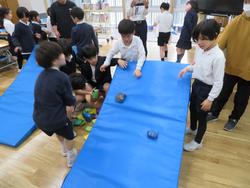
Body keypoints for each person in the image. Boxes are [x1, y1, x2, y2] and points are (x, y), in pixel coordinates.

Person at [179, 19, 225, 151]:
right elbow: (198, 66)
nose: (199, 43)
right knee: (192, 109)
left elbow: (218, 82)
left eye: (203, 39)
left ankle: (198, 141)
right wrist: (188, 68)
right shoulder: (200, 49)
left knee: (202, 116)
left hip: (207, 90)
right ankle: (193, 129)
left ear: (215, 36)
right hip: (197, 84)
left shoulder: (218, 57)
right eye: (197, 39)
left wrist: (210, 99)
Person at [33, 41, 77, 167]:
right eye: (61, 53)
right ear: (55, 60)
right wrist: (69, 117)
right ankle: (71, 157)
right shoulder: (62, 77)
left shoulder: (41, 75)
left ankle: (63, 149)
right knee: (70, 135)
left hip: (40, 119)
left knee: (59, 131)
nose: (64, 55)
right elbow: (69, 103)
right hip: (55, 119)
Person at [207, 7, 250, 131]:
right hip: (232, 66)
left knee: (242, 98)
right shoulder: (237, 21)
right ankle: (214, 113)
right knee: (223, 92)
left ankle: (234, 119)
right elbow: (221, 41)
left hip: (248, 71)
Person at [12, 7, 35, 71]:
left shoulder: (29, 24)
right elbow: (14, 36)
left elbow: (30, 34)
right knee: (31, 65)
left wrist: (35, 35)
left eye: (27, 16)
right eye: (24, 17)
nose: (26, 18)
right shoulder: (18, 25)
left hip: (33, 47)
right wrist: (18, 45)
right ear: (20, 17)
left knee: (35, 64)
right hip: (26, 50)